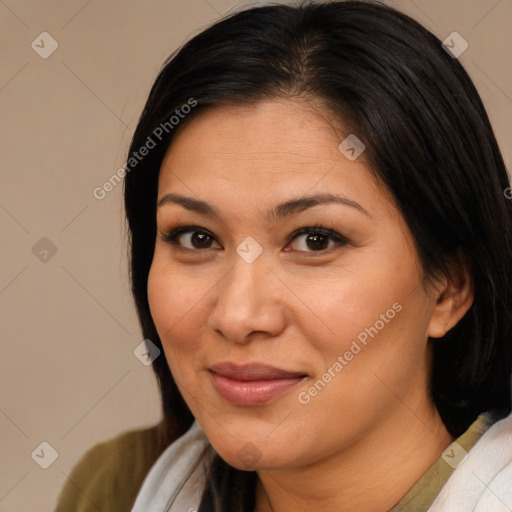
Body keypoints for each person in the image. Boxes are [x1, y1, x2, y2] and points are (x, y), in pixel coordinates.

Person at [55, 1, 512, 511]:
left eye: (316, 240)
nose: (237, 316)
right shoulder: (118, 486)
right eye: (196, 238)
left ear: (450, 286)